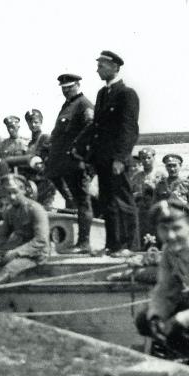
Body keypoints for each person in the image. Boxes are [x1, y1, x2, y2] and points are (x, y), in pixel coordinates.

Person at [75, 51, 140, 257]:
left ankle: (129, 246)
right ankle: (113, 245)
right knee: (108, 203)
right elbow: (96, 125)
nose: (98, 70)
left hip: (116, 159)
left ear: (115, 67)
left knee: (123, 202)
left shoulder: (126, 94)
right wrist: (79, 146)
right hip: (102, 159)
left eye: (101, 66)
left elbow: (129, 129)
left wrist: (120, 158)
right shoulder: (103, 94)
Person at [45, 73, 95, 253]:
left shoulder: (83, 104)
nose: (66, 91)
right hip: (63, 162)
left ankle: (84, 243)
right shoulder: (67, 105)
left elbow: (91, 127)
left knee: (83, 201)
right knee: (53, 176)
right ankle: (70, 204)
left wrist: (78, 149)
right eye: (63, 88)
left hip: (76, 162)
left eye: (69, 87)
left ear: (78, 85)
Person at [135, 200, 189, 356]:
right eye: (164, 229)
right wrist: (156, 316)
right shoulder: (170, 252)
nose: (171, 236)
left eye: (177, 228)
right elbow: (165, 289)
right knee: (145, 320)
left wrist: (181, 319)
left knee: (178, 325)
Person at [130, 147, 159, 247]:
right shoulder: (137, 176)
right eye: (143, 158)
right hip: (141, 209)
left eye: (149, 158)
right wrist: (136, 194)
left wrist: (154, 188)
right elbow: (130, 193)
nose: (146, 160)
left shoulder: (160, 174)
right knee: (142, 234)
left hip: (155, 208)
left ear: (153, 158)